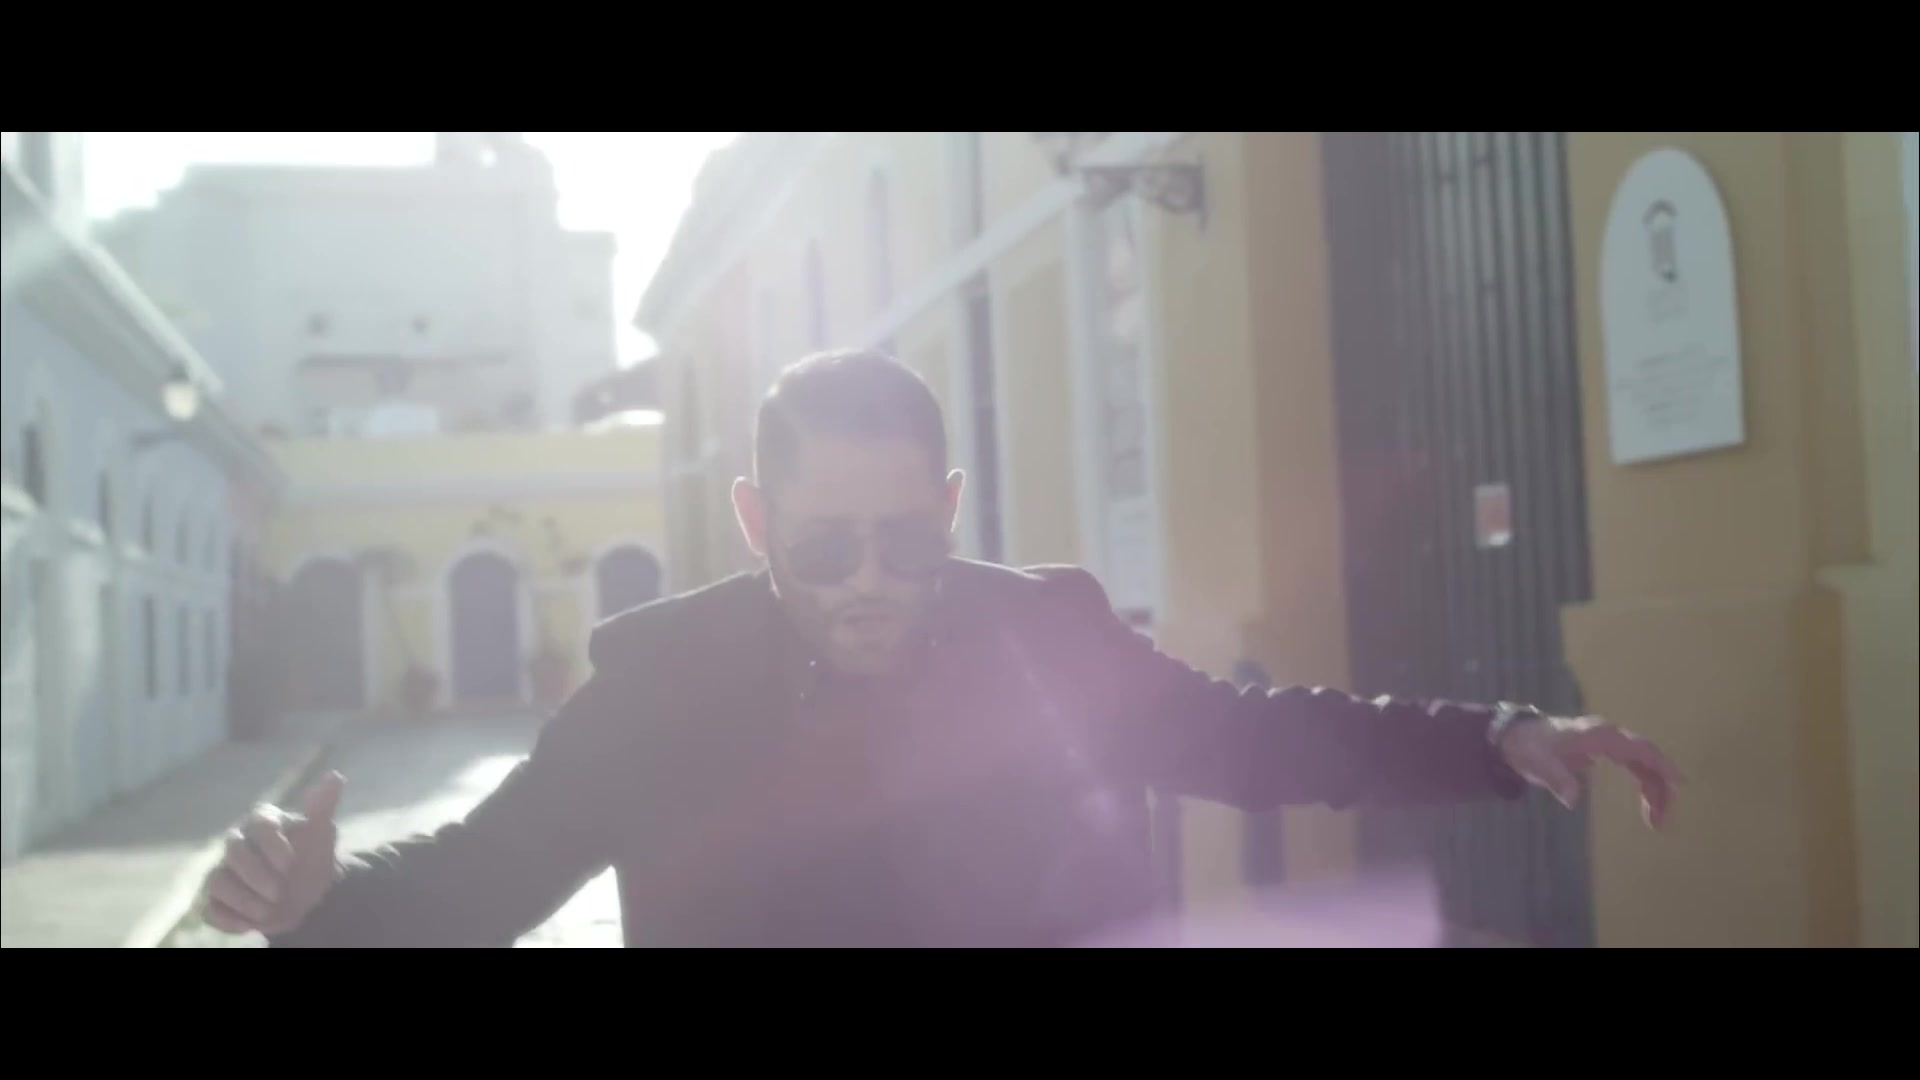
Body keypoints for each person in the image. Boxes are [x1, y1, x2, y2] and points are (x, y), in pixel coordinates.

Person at [199, 349, 1680, 948]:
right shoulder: (661, 685)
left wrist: (1496, 739)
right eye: (825, 547)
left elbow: (1255, 738)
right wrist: (319, 905)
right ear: (754, 519)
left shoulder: (1048, 637)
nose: (870, 584)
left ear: (953, 508)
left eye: (907, 542)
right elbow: (489, 874)